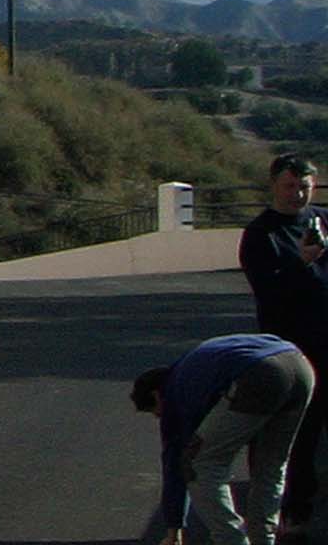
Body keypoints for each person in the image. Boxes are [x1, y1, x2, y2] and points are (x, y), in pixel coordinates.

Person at [137, 336, 315, 545]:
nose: (160, 418)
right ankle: (263, 538)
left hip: (258, 373)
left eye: (155, 412)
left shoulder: (175, 393)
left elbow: (176, 462)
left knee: (199, 462)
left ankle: (231, 539)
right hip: (300, 366)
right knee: (271, 463)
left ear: (156, 395)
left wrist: (173, 530)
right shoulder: (195, 370)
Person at [242, 155, 328, 529]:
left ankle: (305, 507)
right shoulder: (262, 233)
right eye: (290, 186)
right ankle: (287, 510)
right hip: (289, 348)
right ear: (274, 185)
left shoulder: (322, 220)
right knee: (293, 432)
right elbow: (269, 290)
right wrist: (303, 262)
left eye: (304, 187)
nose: (297, 194)